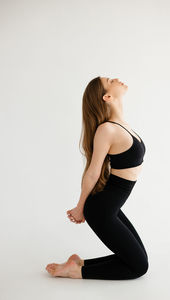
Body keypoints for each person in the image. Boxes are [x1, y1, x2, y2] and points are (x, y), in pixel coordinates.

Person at [45, 76, 149, 280]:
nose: (117, 79)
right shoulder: (107, 129)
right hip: (101, 209)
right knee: (139, 268)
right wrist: (80, 207)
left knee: (138, 259)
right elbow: (93, 172)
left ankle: (78, 263)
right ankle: (77, 272)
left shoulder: (121, 125)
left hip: (110, 207)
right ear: (107, 96)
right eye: (110, 80)